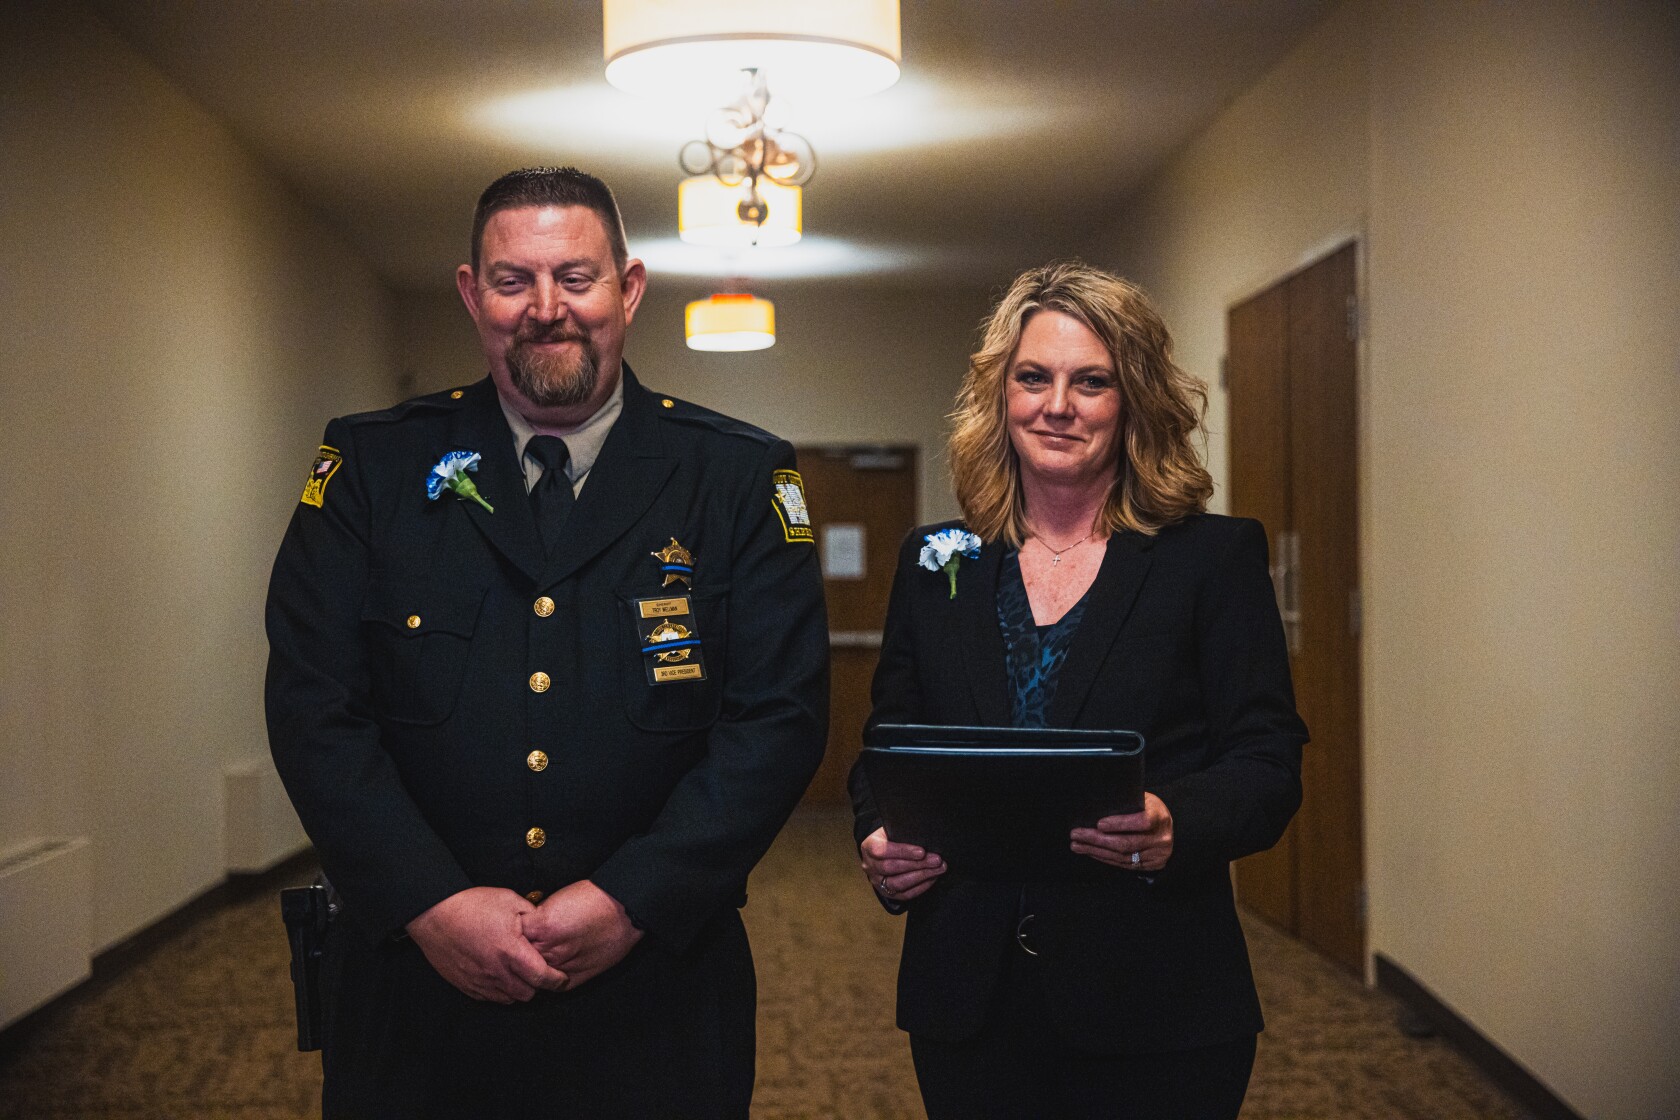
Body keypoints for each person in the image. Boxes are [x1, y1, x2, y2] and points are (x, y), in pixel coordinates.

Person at [265, 166, 828, 1119]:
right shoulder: (373, 467)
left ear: (630, 288)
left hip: (658, 991)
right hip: (416, 991)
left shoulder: (735, 477)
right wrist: (428, 903)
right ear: (470, 293)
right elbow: (315, 706)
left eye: (576, 277)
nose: (546, 309)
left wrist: (632, 899)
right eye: (513, 280)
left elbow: (776, 719)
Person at [849, 261, 1307, 1120]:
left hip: (1156, 996)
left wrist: (1180, 823)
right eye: (1034, 377)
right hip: (968, 998)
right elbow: (888, 747)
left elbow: (1269, 764)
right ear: (1002, 395)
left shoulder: (1209, 561)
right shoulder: (937, 560)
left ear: (1132, 399)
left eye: (1090, 381)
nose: (1057, 404)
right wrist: (880, 835)